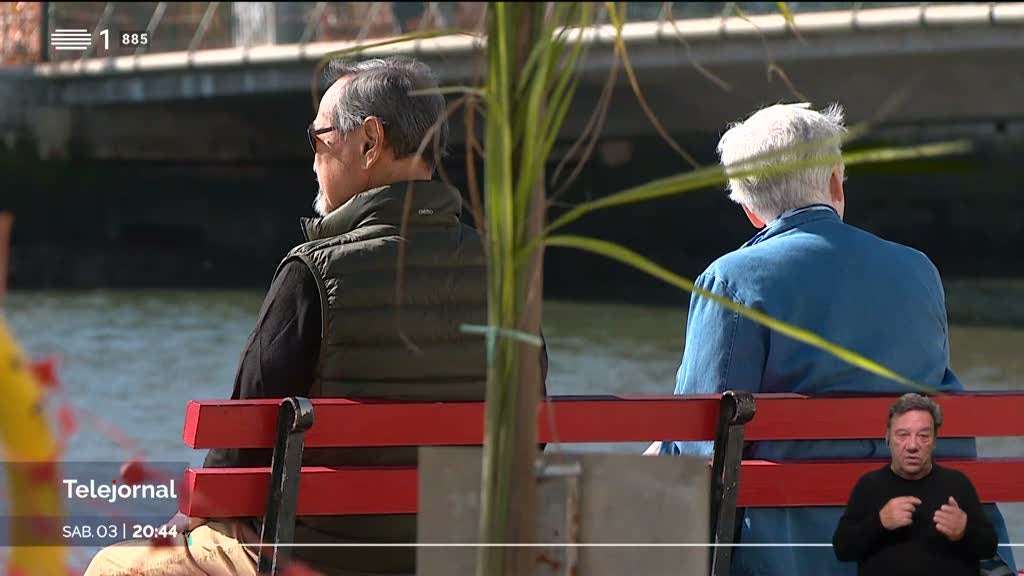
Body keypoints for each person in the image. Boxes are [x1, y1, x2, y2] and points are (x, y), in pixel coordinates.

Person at [86, 56, 548, 575]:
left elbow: (239, 449)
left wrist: (184, 521)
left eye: (318, 137)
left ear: (370, 142)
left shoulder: (314, 274)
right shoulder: (507, 277)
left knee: (114, 563)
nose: (312, 160)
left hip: (316, 557)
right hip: (457, 549)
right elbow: (536, 425)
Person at [650, 102, 1014, 575]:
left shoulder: (732, 280)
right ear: (836, 183)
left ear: (750, 210)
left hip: (786, 557)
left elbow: (702, 440)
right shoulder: (917, 270)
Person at [833, 393, 998, 576]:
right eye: (902, 435)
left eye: (923, 436)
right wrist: (880, 522)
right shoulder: (869, 485)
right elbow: (842, 549)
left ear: (935, 440)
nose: (912, 445)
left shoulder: (957, 483)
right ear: (887, 437)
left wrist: (964, 531)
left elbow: (989, 547)